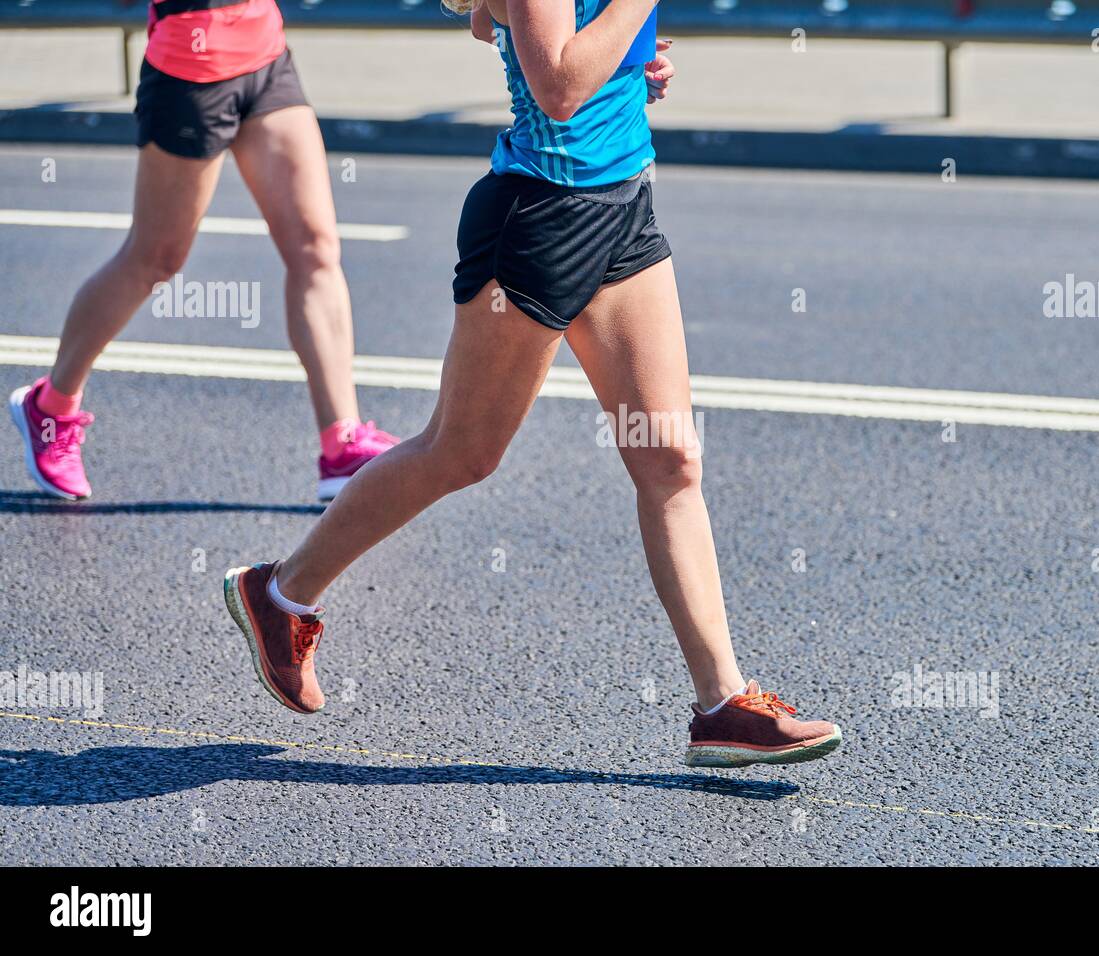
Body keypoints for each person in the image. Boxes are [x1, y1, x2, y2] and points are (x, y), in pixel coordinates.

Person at [224, 0, 842, 768]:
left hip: (621, 204)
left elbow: (494, 24)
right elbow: (555, 86)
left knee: (671, 462)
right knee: (461, 453)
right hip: (542, 218)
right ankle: (280, 593)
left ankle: (722, 706)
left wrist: (630, 58)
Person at [8, 0, 397, 502]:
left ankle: (341, 443)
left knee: (316, 248)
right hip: (191, 67)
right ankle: (52, 406)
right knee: (155, 259)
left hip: (265, 54)